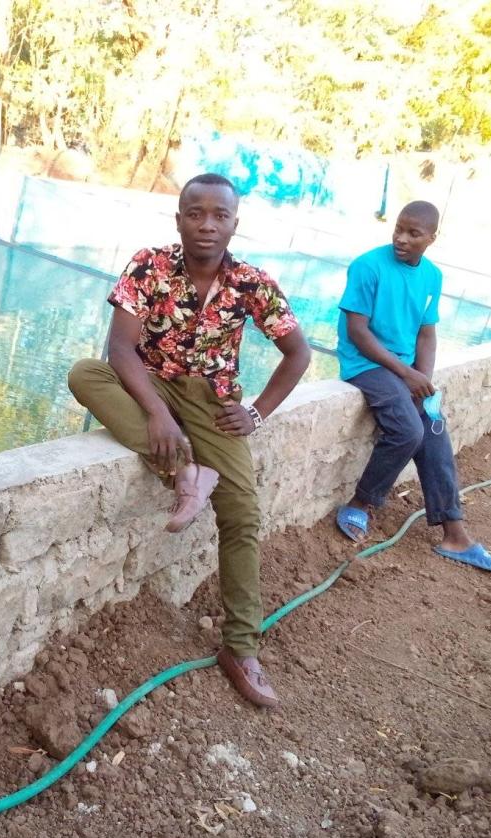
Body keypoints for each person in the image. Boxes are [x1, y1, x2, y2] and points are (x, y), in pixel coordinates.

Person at [68, 173, 312, 708]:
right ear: (178, 218)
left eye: (218, 215)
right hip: (149, 384)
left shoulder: (253, 283)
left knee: (242, 512)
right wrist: (156, 413)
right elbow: (120, 350)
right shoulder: (149, 265)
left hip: (212, 402)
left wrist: (257, 412)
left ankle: (241, 648)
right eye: (194, 213)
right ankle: (183, 471)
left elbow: (299, 353)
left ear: (234, 223)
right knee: (84, 373)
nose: (206, 224)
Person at [333, 201, 491, 573]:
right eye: (398, 229)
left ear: (432, 238)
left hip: (404, 369)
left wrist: (422, 379)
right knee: (408, 430)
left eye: (413, 233)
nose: (401, 238)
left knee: (433, 429)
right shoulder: (368, 266)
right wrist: (406, 374)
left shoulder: (431, 276)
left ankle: (455, 534)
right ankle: (360, 504)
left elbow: (427, 333)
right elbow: (358, 333)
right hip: (367, 363)